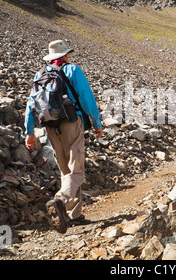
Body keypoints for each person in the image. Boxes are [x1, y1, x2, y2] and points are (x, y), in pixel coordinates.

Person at [24, 40, 103, 233]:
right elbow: (86, 98)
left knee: (65, 169)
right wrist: (97, 123)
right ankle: (60, 200)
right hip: (71, 122)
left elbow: (31, 104)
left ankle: (74, 215)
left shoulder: (40, 74)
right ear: (66, 55)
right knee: (77, 169)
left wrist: (30, 132)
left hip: (51, 126)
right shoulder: (73, 70)